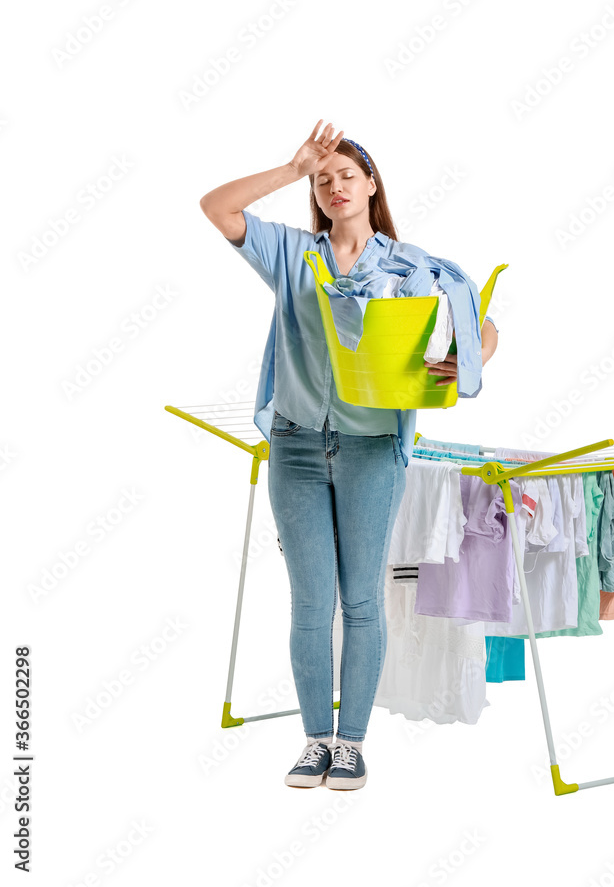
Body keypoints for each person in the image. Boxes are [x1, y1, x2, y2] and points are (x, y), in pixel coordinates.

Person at [199, 120, 499, 790]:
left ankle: (352, 744)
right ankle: (314, 741)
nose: (333, 186)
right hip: (296, 447)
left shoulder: (410, 265)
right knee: (311, 605)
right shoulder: (290, 254)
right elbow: (216, 208)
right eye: (322, 178)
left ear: (371, 184)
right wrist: (289, 167)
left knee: (361, 601)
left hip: (371, 450)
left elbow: (483, 324)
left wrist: (462, 358)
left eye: (345, 175)